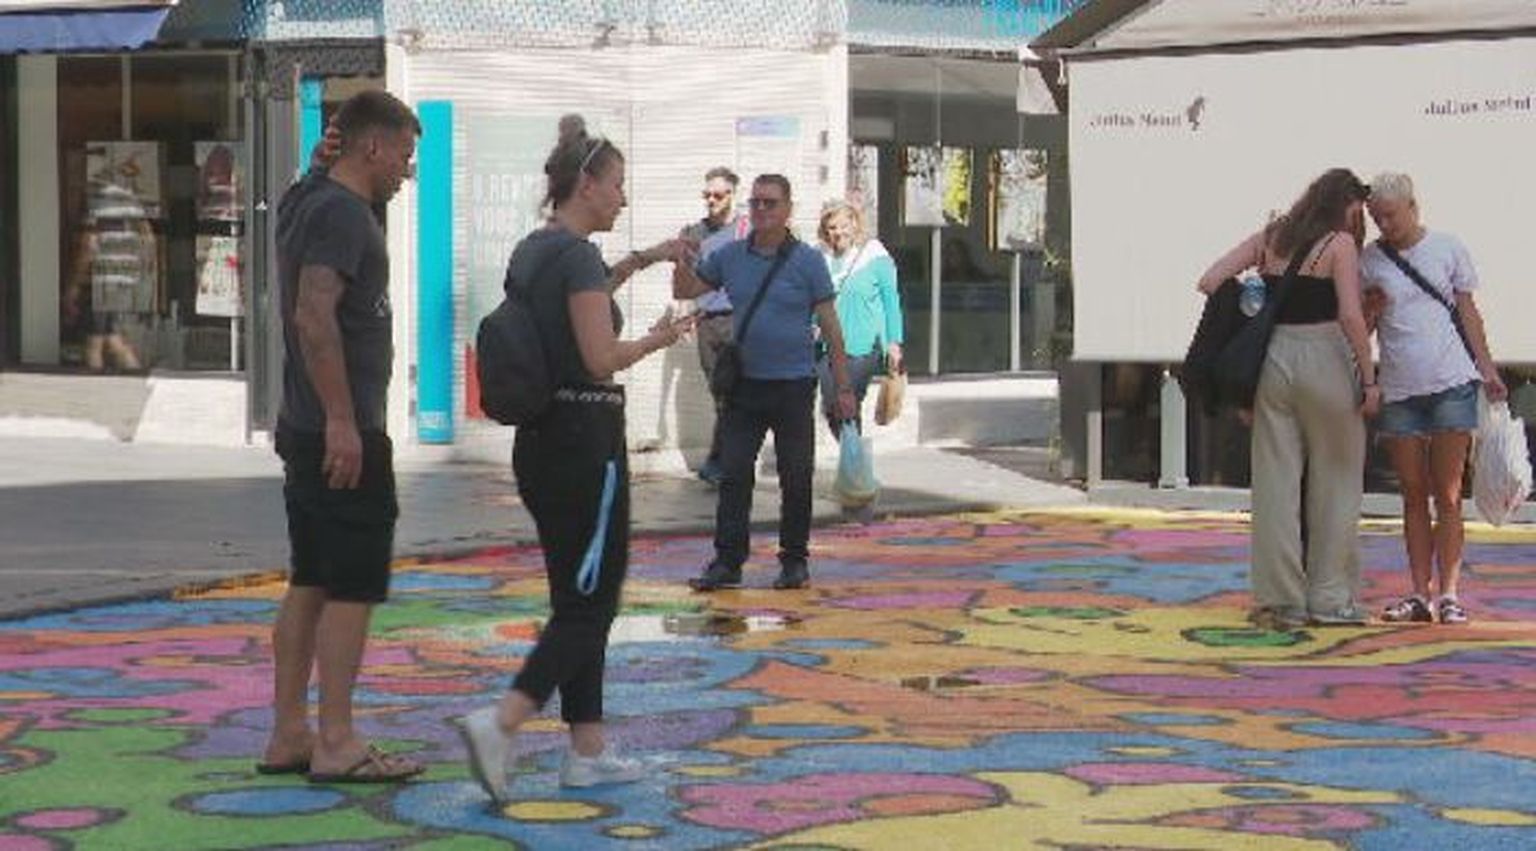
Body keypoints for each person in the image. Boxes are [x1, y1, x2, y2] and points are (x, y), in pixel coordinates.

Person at [457, 118, 696, 804]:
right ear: (586, 184)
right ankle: (501, 721)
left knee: (578, 598)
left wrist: (645, 258)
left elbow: (581, 301)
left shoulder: (538, 250)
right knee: (592, 602)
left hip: (542, 444)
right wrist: (659, 338)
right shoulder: (576, 260)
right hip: (585, 444)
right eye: (617, 183)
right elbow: (598, 356)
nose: (624, 197)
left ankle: (586, 751)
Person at [259, 90, 425, 784]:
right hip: (339, 430)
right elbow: (313, 314)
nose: (407, 172)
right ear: (372, 147)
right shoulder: (341, 214)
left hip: (305, 426)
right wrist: (341, 419)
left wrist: (314, 160)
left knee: (312, 577)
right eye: (403, 156)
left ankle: (289, 732)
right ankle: (336, 739)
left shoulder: (305, 199)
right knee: (350, 584)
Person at [1196, 168, 1378, 630]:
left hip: (1272, 360)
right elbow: (1351, 316)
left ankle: (1280, 600)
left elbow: (1211, 279)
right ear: (1347, 205)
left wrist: (1255, 295)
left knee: (1275, 483)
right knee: (1337, 481)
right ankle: (1330, 598)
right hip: (1326, 356)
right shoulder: (1339, 244)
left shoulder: (1272, 235)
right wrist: (1370, 378)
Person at [673, 174, 856, 592]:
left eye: (770, 203)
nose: (761, 210)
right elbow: (688, 289)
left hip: (794, 386)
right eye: (755, 202)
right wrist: (680, 258)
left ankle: (794, 561)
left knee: (796, 477)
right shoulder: (731, 255)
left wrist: (843, 387)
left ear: (788, 209)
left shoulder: (807, 260)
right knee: (734, 475)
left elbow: (830, 326)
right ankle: (727, 562)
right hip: (745, 386)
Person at [1361, 172, 1506, 625]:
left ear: (1412, 207)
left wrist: (1487, 369)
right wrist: (1371, 310)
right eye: (1377, 218)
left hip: (1451, 381)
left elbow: (1468, 311)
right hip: (1400, 388)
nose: (1385, 225)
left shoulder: (1447, 248)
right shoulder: (1370, 260)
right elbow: (1361, 328)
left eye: (1391, 215)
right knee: (1412, 491)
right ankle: (1419, 593)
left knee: (1447, 492)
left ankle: (1449, 593)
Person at [677, 166, 750, 486]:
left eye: (718, 195)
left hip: (738, 320)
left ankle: (721, 462)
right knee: (720, 393)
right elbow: (684, 277)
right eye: (706, 195)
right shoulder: (694, 233)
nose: (711, 200)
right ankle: (726, 460)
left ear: (733, 195)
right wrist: (685, 313)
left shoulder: (746, 231)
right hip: (707, 321)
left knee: (734, 392)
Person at [815, 199, 904, 436]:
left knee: (849, 402)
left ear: (855, 224)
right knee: (831, 406)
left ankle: (853, 455)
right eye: (832, 227)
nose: (838, 232)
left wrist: (894, 343)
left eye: (844, 225)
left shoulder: (875, 256)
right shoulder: (819, 257)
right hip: (826, 346)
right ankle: (853, 452)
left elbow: (891, 300)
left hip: (863, 345)